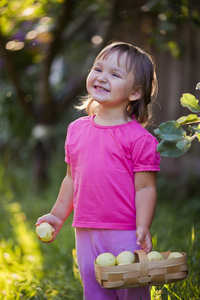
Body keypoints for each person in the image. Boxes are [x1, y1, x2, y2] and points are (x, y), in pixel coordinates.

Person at [36, 41, 161, 300]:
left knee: (131, 292)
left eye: (115, 74)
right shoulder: (77, 130)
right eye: (98, 69)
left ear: (136, 92)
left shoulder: (139, 139)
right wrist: (58, 216)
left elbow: (146, 187)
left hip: (125, 232)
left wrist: (143, 226)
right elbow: (72, 178)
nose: (102, 77)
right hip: (85, 230)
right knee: (94, 291)